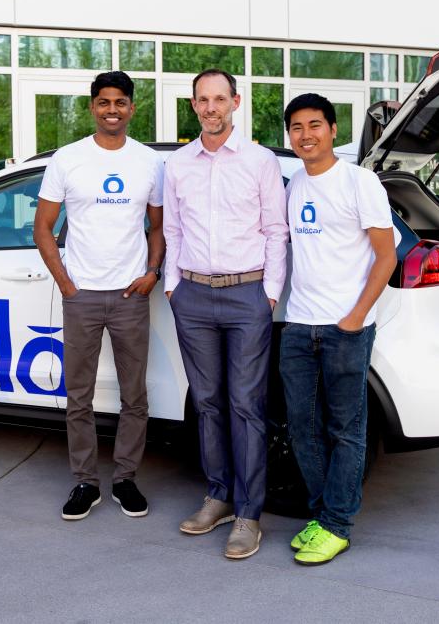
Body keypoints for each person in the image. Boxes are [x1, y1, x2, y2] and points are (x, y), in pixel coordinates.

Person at [163, 68, 288, 559]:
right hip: (192, 296)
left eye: (220, 99)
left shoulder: (260, 162)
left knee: (246, 406)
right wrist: (173, 286)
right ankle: (216, 496)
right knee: (208, 403)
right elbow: (172, 230)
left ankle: (249, 514)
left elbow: (277, 231)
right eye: (202, 100)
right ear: (193, 105)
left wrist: (270, 294)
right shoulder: (177, 164)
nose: (211, 107)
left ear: (235, 102)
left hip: (246, 297)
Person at [33, 71, 165, 521]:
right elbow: (43, 228)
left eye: (121, 102)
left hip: (131, 294)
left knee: (134, 396)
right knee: (79, 396)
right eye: (104, 102)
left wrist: (152, 272)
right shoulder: (68, 160)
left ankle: (125, 479)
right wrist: (66, 283)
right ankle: (85, 483)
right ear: (92, 107)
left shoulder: (149, 162)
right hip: (82, 295)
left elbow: (158, 226)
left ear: (132, 108)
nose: (113, 109)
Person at [279, 93, 397, 565]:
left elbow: (387, 256)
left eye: (315, 125)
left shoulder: (359, 182)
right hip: (298, 326)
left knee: (346, 429)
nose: (305, 135)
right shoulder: (292, 186)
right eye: (296, 128)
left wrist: (354, 317)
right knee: (303, 429)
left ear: (331, 129)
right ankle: (320, 515)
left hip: (345, 328)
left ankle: (338, 523)